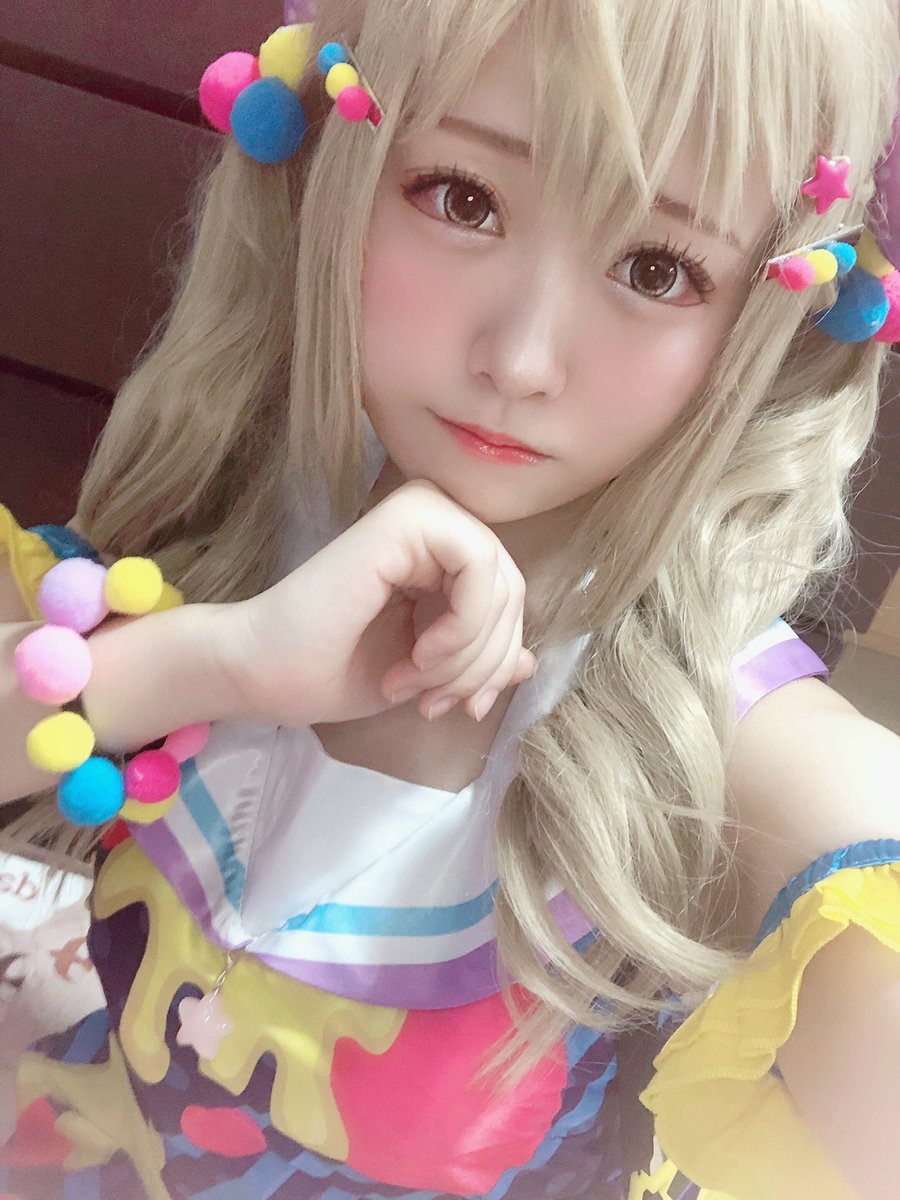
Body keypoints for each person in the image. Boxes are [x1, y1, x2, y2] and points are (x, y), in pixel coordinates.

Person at [1, 0, 900, 1197]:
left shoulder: (724, 742)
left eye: (659, 269)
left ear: (764, 323)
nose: (520, 360)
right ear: (336, 169)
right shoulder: (234, 516)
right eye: (461, 198)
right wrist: (214, 660)